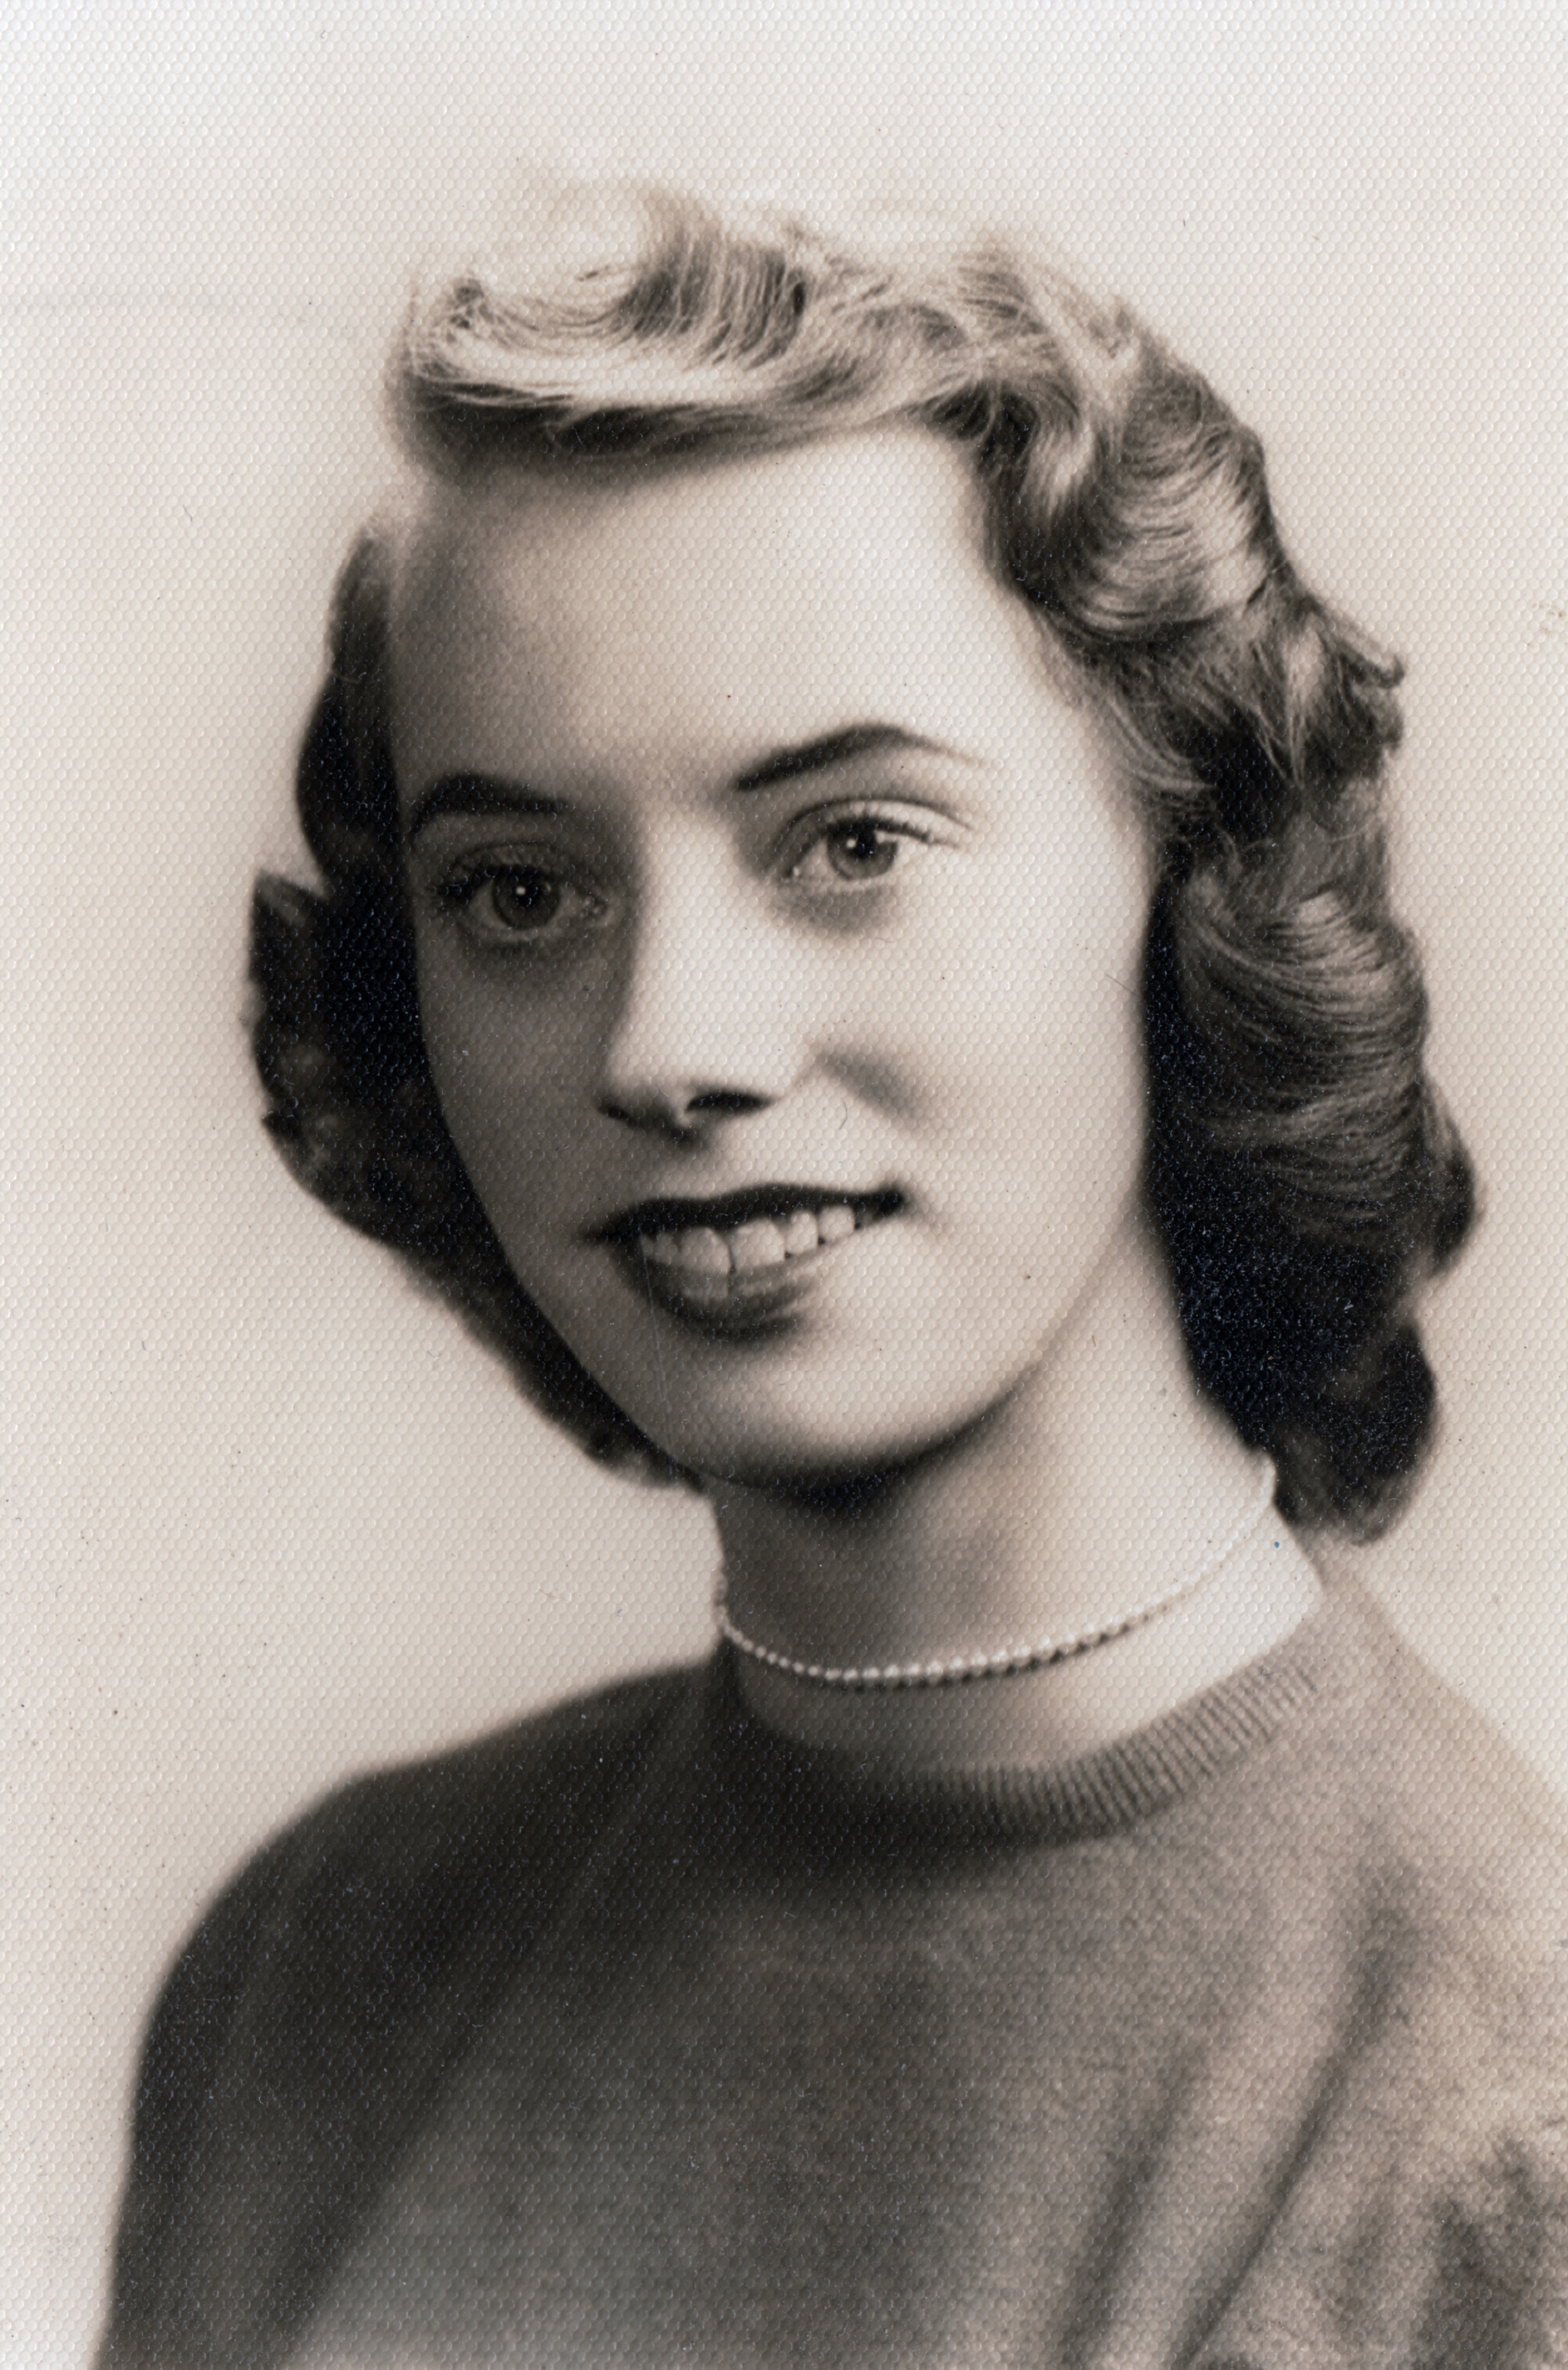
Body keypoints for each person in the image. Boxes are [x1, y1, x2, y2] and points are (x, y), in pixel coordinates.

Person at [98, 183, 1568, 2367]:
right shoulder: (317, 1973)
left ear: (1193, 886)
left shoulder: (1495, 2135)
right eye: (518, 892)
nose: (664, 1048)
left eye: (851, 842)